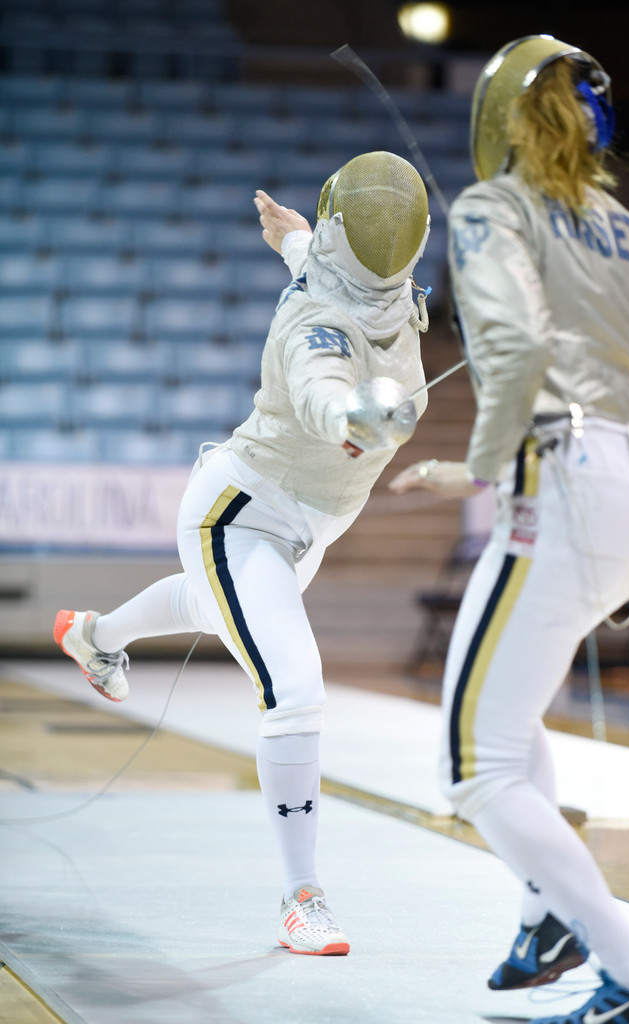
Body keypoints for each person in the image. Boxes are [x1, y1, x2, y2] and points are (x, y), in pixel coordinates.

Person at [54, 150, 432, 957]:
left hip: (302, 526)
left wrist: (293, 238)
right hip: (241, 516)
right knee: (293, 688)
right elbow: (319, 373)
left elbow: (319, 268)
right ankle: (303, 898)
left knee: (206, 602)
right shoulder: (316, 324)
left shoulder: (383, 294)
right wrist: (347, 417)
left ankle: (93, 636)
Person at [389, 36, 629, 1024]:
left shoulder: (489, 209)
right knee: (509, 721)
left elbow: (516, 345)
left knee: (470, 765)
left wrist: (478, 467)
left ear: (500, 119)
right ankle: (546, 916)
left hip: (567, 477)